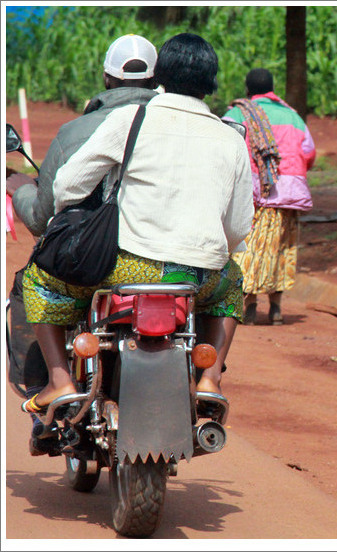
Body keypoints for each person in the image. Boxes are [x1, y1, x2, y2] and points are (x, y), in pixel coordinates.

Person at [20, 32, 253, 415]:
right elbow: (239, 226)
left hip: (122, 267)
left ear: (159, 74)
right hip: (194, 277)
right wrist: (207, 254)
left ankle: (60, 382)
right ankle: (209, 379)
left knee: (38, 281)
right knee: (231, 288)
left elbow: (68, 186)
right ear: (212, 83)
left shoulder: (132, 119)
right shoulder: (229, 137)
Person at [6, 33, 159, 455]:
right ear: (155, 79)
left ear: (107, 78)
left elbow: (42, 215)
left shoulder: (77, 131)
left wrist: (20, 189)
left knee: (33, 286)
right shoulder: (179, 128)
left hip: (91, 269)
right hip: (171, 266)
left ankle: (53, 385)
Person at [223, 68, 316, 325]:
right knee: (281, 250)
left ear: (247, 90)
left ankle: (250, 306)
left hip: (252, 197)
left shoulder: (236, 115)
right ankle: (276, 308)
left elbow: (222, 150)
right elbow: (308, 152)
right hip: (287, 196)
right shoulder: (293, 117)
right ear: (272, 88)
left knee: (249, 249)